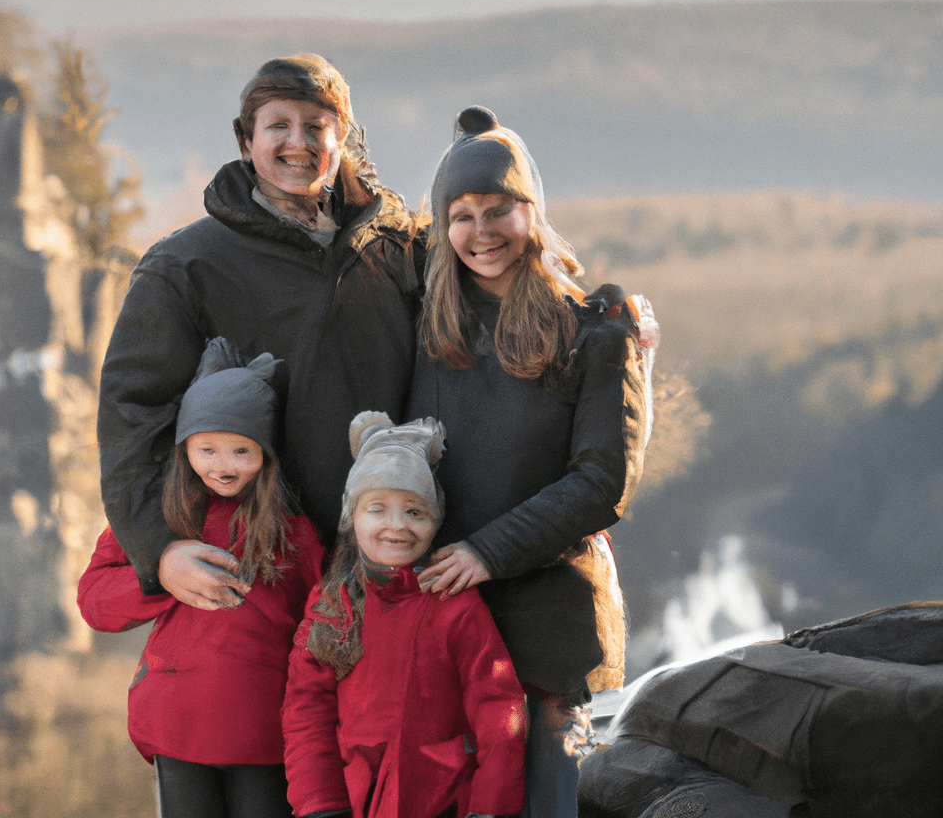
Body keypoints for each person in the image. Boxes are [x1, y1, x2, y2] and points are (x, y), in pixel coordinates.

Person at [96, 54, 423, 607]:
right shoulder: (185, 266)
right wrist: (161, 549)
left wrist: (596, 320)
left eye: (317, 126)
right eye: (278, 126)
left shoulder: (394, 247)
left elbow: (488, 291)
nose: (299, 142)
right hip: (257, 568)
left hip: (391, 559)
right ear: (246, 140)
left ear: (341, 137)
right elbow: (132, 412)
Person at [406, 106, 651, 818]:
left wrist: (489, 551)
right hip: (448, 627)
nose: (481, 232)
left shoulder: (593, 334)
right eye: (461, 214)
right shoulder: (426, 328)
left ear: (531, 213)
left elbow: (604, 483)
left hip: (554, 634)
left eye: (499, 209)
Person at [78, 338, 323, 818]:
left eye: (241, 451)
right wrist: (159, 576)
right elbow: (94, 601)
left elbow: (317, 622)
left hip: (264, 730)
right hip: (177, 725)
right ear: (184, 446)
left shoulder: (293, 531)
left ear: (266, 454)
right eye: (206, 449)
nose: (222, 466)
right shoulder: (155, 520)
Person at [281, 411, 527, 818]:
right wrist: (320, 804)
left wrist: (491, 808)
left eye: (415, 512)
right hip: (353, 798)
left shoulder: (454, 602)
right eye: (377, 509)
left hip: (441, 798)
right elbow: (306, 708)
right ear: (351, 518)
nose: (397, 526)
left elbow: (499, 706)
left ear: (435, 521)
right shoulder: (332, 602)